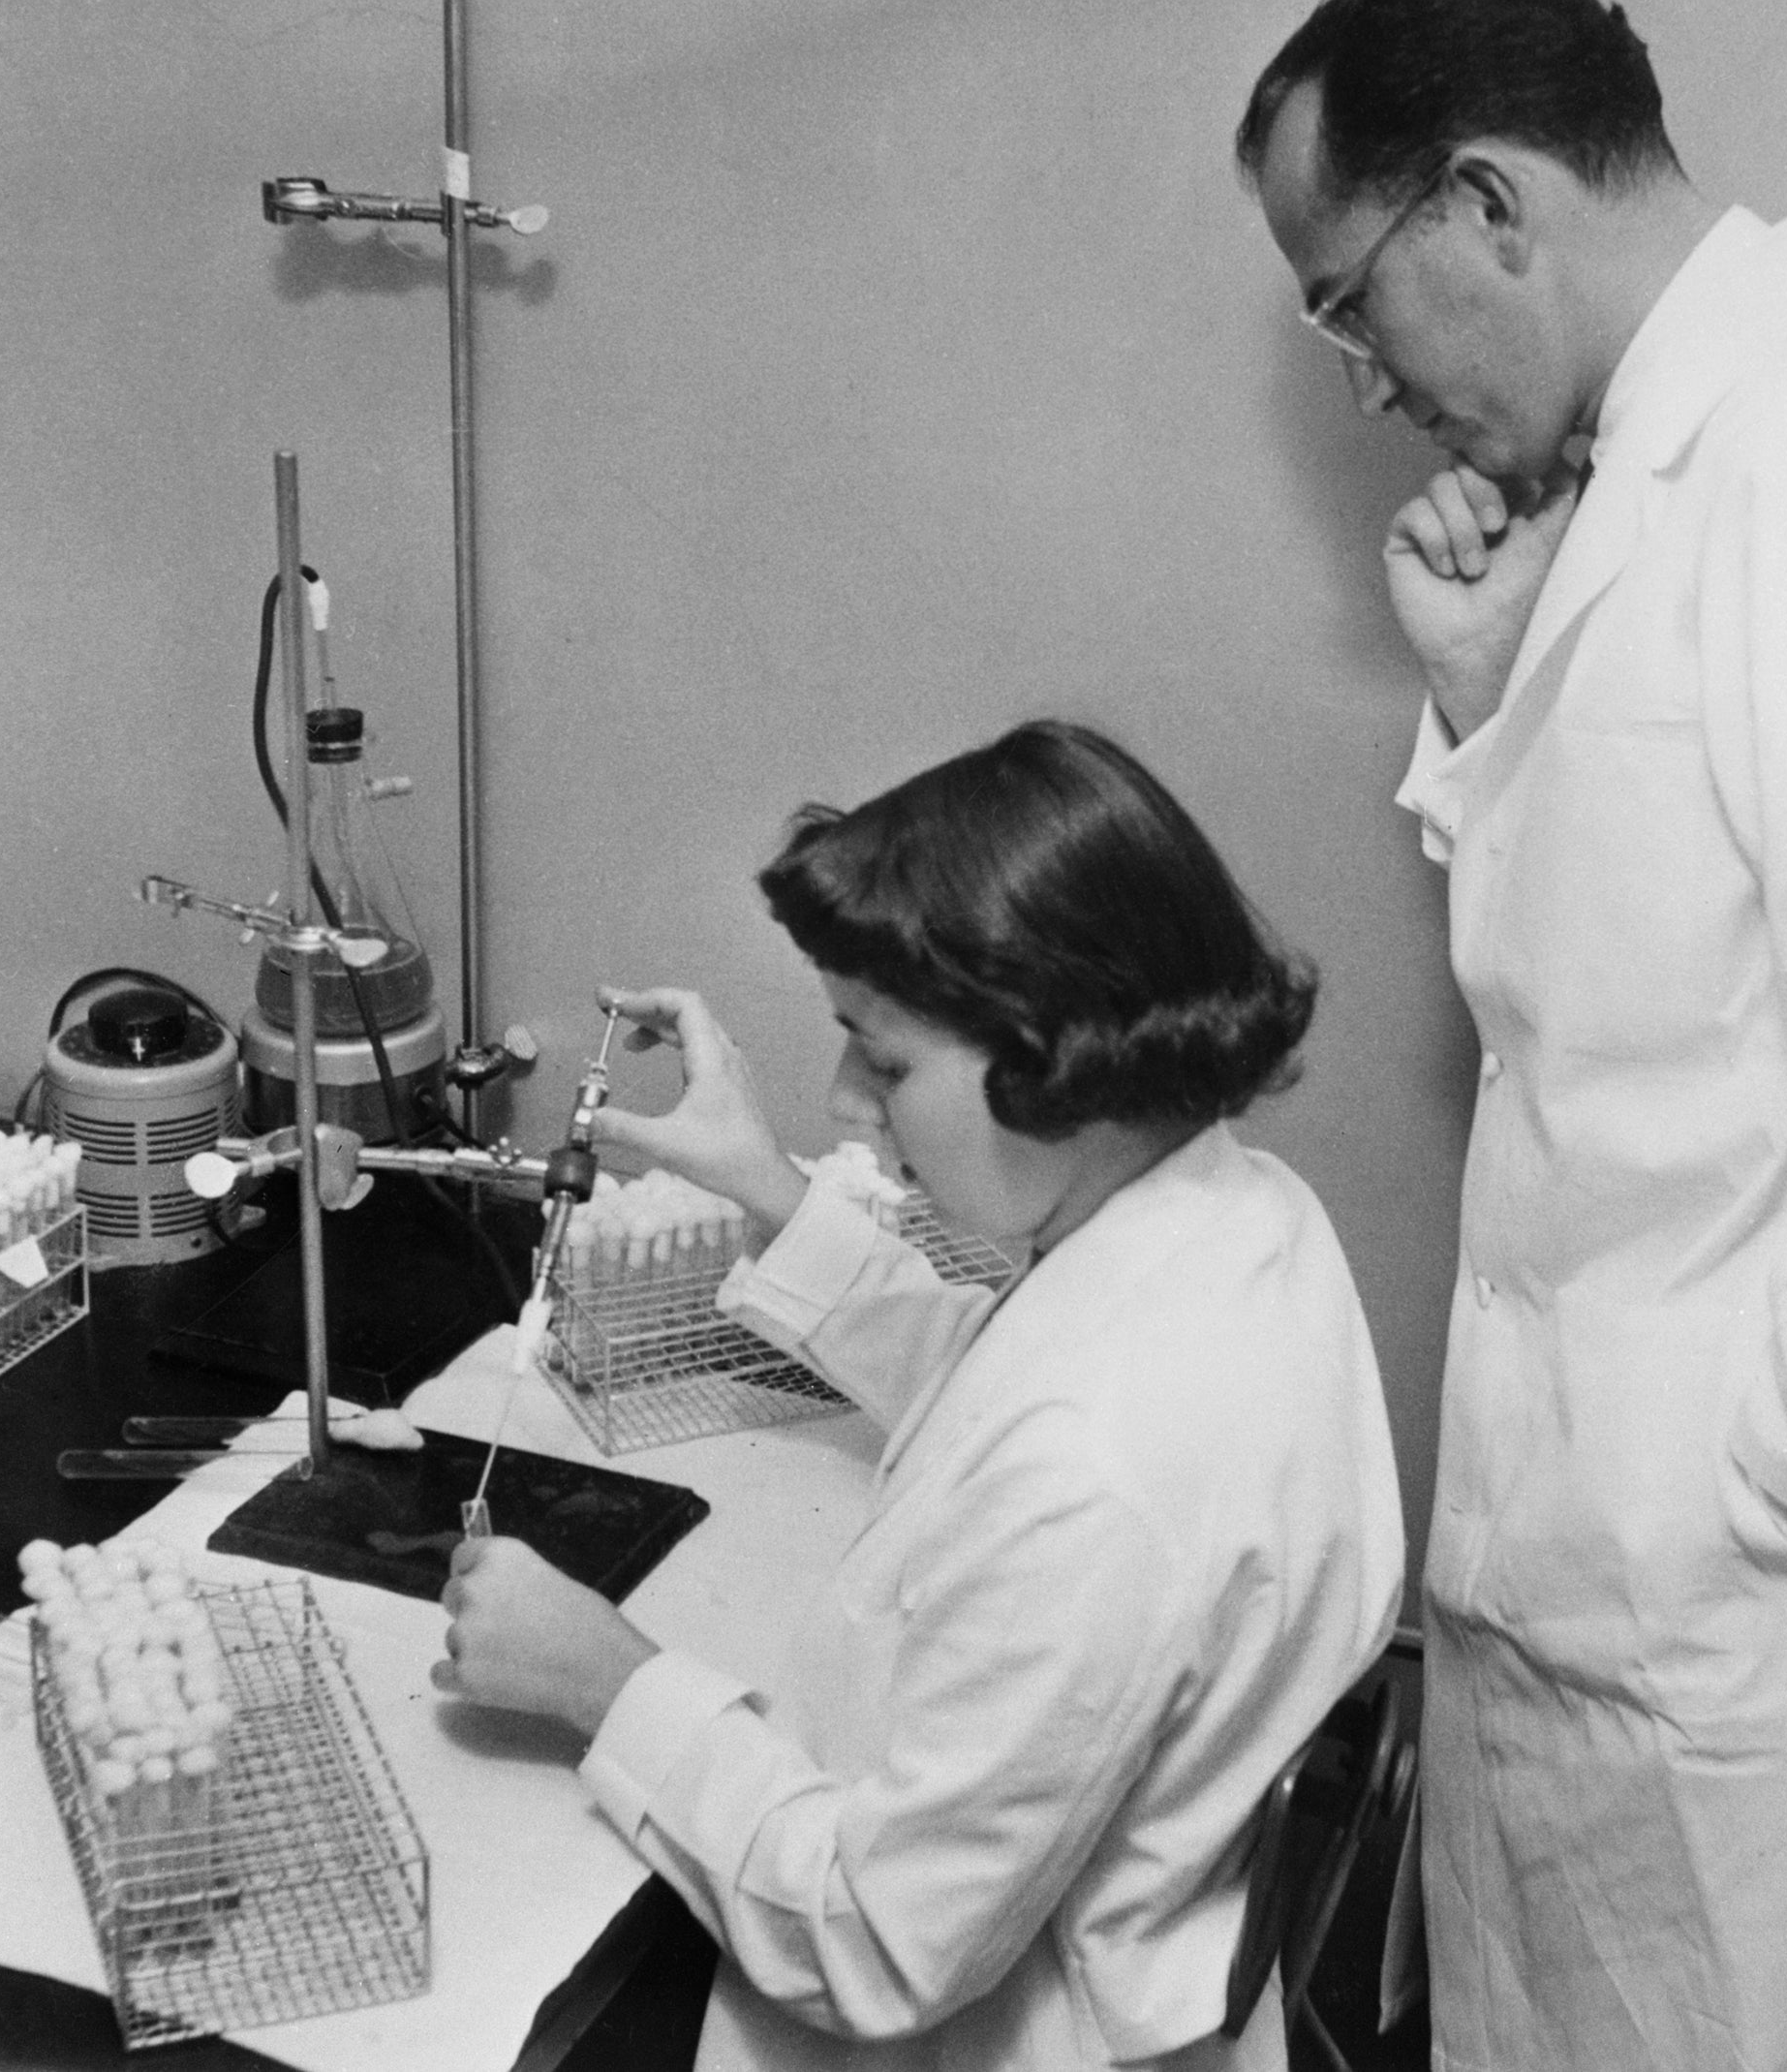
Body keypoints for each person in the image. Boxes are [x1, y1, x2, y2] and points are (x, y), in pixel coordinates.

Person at [1234, 0, 1787, 2071]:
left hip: (1786, 1647)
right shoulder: (1670, 466)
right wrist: (1482, 694)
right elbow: (1646, 967)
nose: (1359, 382)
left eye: (1344, 299)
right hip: (1641, 1614)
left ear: (1485, 204)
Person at [435, 719, 1404, 2072]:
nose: (844, 1103)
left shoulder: (1098, 1476)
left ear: (1053, 1053)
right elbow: (1007, 1384)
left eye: (882, 1062)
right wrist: (766, 1193)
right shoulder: (1239, 1216)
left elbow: (875, 1945)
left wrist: (606, 1681)